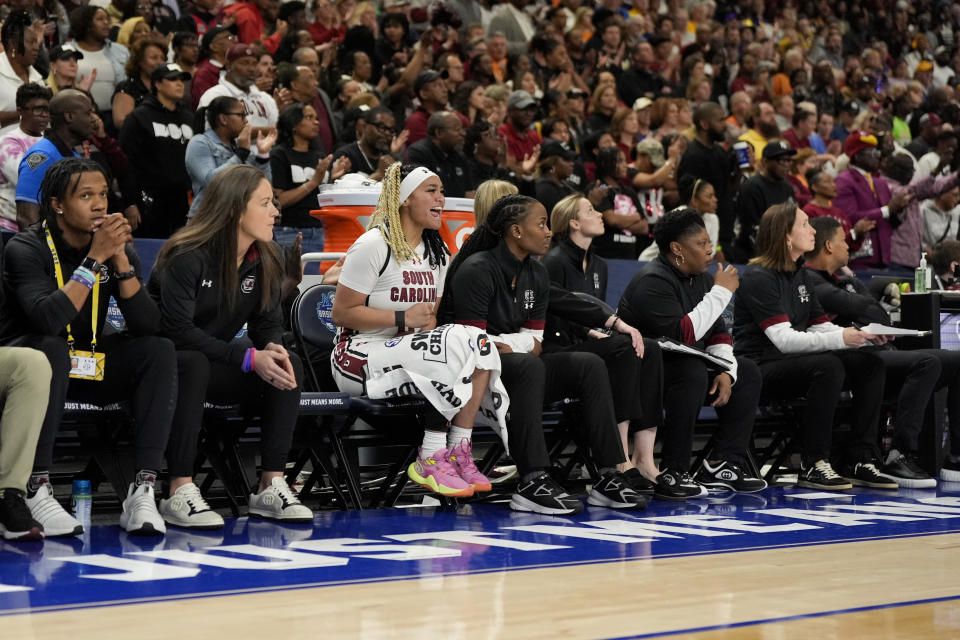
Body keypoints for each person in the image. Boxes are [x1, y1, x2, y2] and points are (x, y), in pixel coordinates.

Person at [1, 157, 178, 535]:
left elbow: (148, 325)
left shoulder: (115, 249)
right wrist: (96, 258)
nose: (100, 204)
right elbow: (47, 320)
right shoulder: (25, 248)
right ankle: (37, 486)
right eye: (85, 196)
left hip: (88, 363)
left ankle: (143, 488)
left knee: (158, 351)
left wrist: (119, 261)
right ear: (57, 205)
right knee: (50, 348)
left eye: (102, 194)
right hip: (33, 371)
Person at [441, 193, 647, 514]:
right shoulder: (477, 269)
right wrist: (512, 344)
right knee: (527, 365)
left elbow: (535, 342)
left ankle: (608, 474)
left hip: (517, 367)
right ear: (516, 231)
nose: (549, 231)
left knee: (588, 364)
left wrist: (506, 343)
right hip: (471, 375)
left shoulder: (535, 274)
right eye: (541, 224)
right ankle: (533, 479)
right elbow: (472, 344)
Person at [330, 163, 507, 499]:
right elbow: (341, 314)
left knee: (476, 341)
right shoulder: (373, 245)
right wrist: (400, 317)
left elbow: (430, 324)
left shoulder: (438, 256)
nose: (441, 198)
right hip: (356, 356)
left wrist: (419, 328)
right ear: (405, 199)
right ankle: (431, 455)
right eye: (432, 191)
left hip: (407, 354)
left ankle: (457, 449)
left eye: (441, 190)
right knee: (452, 342)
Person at [149, 164, 312, 527]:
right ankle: (178, 488)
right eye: (266, 203)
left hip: (216, 363)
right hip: (167, 369)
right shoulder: (186, 253)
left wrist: (271, 348)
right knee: (193, 362)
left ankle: (271, 483)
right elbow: (175, 330)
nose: (276, 211)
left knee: (290, 365)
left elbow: (267, 323)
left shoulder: (266, 256)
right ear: (237, 208)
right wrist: (247, 357)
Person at [733, 202, 894, 491]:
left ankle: (860, 457)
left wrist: (861, 335)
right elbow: (783, 340)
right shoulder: (758, 277)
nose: (812, 231)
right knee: (828, 365)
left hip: (790, 365)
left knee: (868, 362)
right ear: (785, 236)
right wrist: (843, 338)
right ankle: (814, 463)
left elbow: (821, 326)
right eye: (805, 225)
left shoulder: (800, 274)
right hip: (757, 370)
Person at [619, 208, 767, 495]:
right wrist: (722, 292)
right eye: (701, 244)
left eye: (709, 242)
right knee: (691, 371)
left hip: (680, 366)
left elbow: (719, 331)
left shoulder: (700, 278)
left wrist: (726, 370)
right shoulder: (652, 281)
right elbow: (683, 335)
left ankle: (722, 462)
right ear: (677, 249)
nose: (710, 250)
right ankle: (676, 470)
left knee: (746, 372)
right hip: (641, 377)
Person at [803, 215, 958, 488]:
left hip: (871, 354)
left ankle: (955, 457)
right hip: (845, 359)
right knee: (927, 361)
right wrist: (859, 290)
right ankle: (898, 454)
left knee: (955, 360)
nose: (849, 246)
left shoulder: (839, 279)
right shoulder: (811, 281)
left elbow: (874, 312)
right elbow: (870, 309)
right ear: (828, 246)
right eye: (843, 241)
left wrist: (854, 283)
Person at [543, 194, 663, 497]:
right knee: (623, 347)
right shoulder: (554, 261)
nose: (599, 215)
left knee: (648, 348)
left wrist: (595, 332)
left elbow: (593, 309)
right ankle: (618, 458)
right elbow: (552, 313)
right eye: (591, 211)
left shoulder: (599, 264)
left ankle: (644, 458)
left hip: (591, 345)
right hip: (560, 350)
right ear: (573, 223)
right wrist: (589, 331)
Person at [118, 63, 195, 238]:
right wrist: (130, 202)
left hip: (184, 201)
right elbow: (125, 163)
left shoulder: (189, 117)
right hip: (149, 201)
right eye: (172, 79)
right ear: (157, 84)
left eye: (182, 79)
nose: (179, 84)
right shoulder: (138, 117)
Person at [270, 103, 350, 254]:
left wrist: (333, 179)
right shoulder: (279, 155)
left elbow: (319, 196)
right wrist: (313, 182)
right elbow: (279, 200)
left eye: (317, 118)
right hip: (290, 233)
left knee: (316, 278)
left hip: (320, 231)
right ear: (293, 124)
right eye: (309, 117)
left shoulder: (318, 155)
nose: (316, 122)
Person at [834, 131, 914, 269]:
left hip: (884, 259)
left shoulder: (880, 183)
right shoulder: (844, 181)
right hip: (859, 259)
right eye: (872, 152)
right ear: (858, 156)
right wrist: (887, 210)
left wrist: (899, 209)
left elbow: (892, 222)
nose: (878, 156)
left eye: (878, 151)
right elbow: (850, 218)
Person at [15, 90, 93, 230]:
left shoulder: (75, 156)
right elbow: (26, 217)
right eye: (88, 113)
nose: (93, 119)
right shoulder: (42, 157)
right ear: (69, 116)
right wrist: (47, 251)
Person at [186, 96, 276, 217]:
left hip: (236, 220)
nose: (246, 121)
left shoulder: (239, 146)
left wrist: (263, 155)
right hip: (207, 222)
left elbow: (264, 186)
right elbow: (212, 182)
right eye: (241, 115)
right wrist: (241, 153)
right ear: (223, 119)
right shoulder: (200, 142)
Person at [679, 102, 739, 259]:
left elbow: (729, 187)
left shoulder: (719, 151)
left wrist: (740, 169)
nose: (724, 125)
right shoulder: (692, 155)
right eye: (720, 121)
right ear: (704, 124)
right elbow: (691, 199)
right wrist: (716, 245)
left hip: (725, 228)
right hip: (704, 232)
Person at [732, 141, 798, 261]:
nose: (787, 165)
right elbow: (752, 229)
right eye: (781, 160)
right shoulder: (752, 187)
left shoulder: (787, 187)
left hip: (781, 252)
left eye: (789, 160)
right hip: (753, 256)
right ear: (765, 161)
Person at [65, 5, 130, 122]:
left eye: (107, 19)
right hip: (79, 116)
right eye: (100, 19)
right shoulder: (67, 50)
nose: (106, 23)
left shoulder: (120, 51)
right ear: (86, 23)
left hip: (114, 116)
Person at [0, 83, 51, 232]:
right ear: (20, 111)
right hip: (11, 227)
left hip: (46, 225)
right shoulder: (8, 143)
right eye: (37, 109)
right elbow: (26, 180)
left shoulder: (51, 140)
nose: (44, 114)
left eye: (47, 109)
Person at [198, 43, 279, 131]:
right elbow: (214, 135)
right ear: (228, 65)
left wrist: (280, 110)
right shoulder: (216, 95)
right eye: (245, 63)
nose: (251, 69)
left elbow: (276, 128)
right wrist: (265, 131)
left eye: (254, 64)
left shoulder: (264, 97)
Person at [589, 146, 647, 259]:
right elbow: (612, 220)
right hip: (606, 256)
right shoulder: (599, 189)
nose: (625, 165)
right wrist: (635, 217)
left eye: (625, 161)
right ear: (607, 163)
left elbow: (644, 227)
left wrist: (620, 222)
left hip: (631, 257)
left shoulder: (629, 191)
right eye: (620, 161)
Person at [804, 168, 874, 258]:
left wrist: (859, 233)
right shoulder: (810, 211)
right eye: (828, 182)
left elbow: (852, 245)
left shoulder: (839, 211)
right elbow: (820, 243)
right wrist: (854, 232)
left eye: (833, 181)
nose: (834, 185)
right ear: (814, 187)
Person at [406, 111, 474, 198]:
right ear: (439, 133)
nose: (463, 133)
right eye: (457, 129)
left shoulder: (460, 156)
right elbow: (419, 194)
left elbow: (469, 193)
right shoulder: (419, 153)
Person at [0, 11, 44, 135]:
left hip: (35, 148)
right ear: (13, 44)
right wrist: (23, 114)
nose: (36, 47)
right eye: (31, 42)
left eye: (37, 42)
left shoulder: (37, 78)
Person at [110, 37, 167, 130]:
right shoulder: (127, 87)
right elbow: (122, 122)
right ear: (139, 61)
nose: (160, 62)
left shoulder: (166, 86)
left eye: (162, 58)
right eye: (154, 57)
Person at [333, 106, 401, 181]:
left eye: (391, 131)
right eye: (381, 128)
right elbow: (339, 190)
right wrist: (379, 174)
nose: (387, 134)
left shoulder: (391, 158)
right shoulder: (345, 156)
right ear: (364, 127)